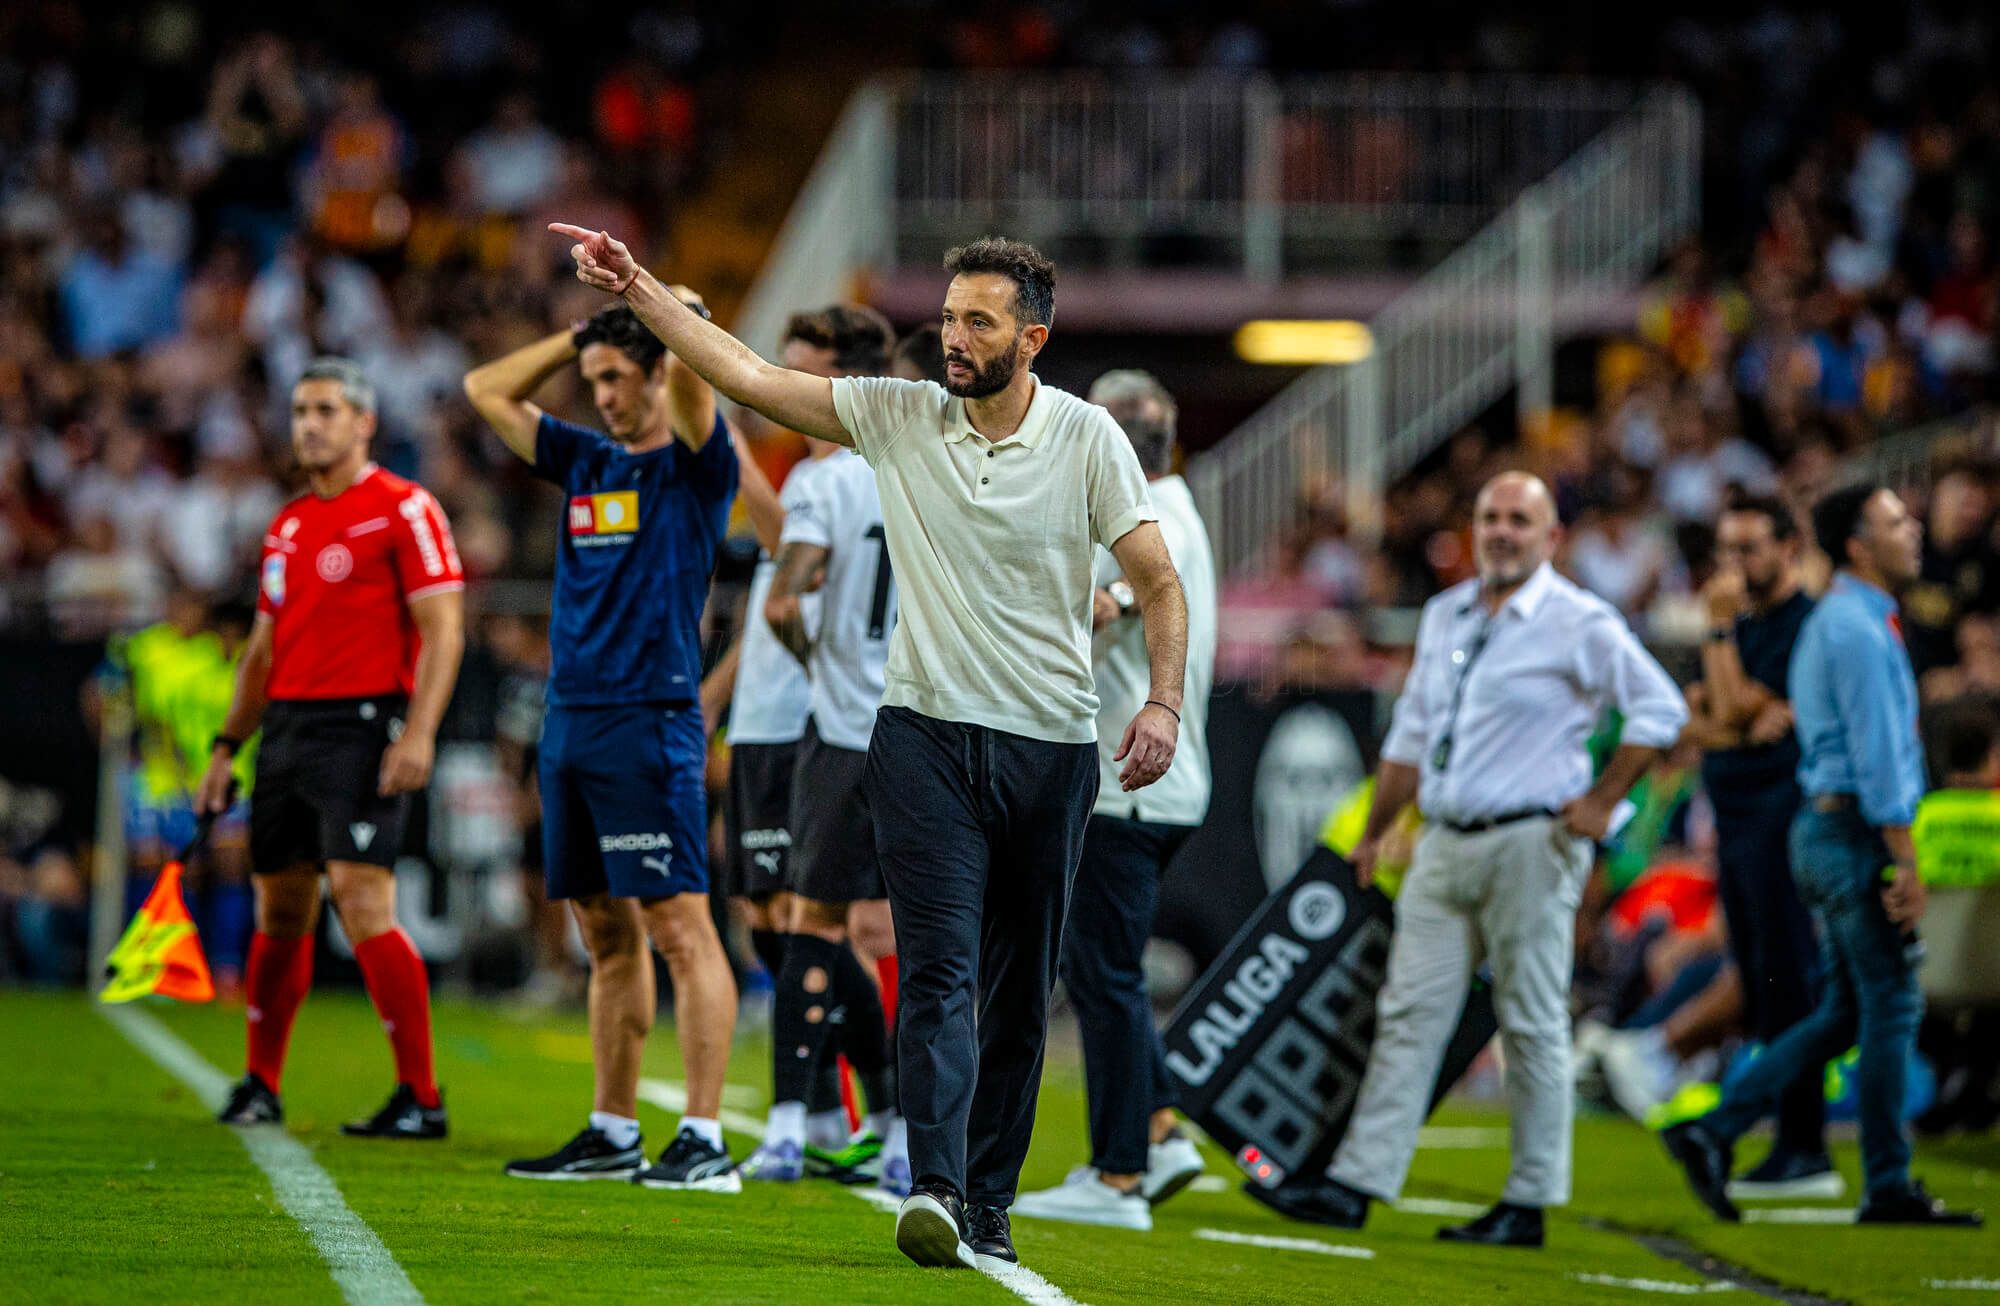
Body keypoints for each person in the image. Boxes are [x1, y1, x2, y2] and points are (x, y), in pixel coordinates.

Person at [551, 221, 1187, 1270]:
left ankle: (989, 1199)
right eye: (946, 316)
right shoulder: (897, 415)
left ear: (1031, 338)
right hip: (921, 736)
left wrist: (1159, 703)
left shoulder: (1086, 438)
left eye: (977, 321)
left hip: (1050, 746)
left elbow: (1156, 582)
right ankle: (933, 1184)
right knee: (935, 970)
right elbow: (748, 375)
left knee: (1019, 989)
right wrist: (642, 287)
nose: (952, 336)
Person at [1248, 472, 1687, 1249]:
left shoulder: (1577, 619)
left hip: (1532, 839)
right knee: (1409, 1014)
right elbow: (1411, 738)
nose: (1502, 530)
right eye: (1490, 516)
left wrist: (1602, 799)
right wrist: (1376, 828)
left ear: (1551, 537)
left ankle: (1528, 1199)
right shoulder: (1449, 612)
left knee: (1531, 1021)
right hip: (1443, 839)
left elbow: (1661, 708)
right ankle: (1356, 1184)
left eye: (1520, 519)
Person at [463, 298, 743, 1192]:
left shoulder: (699, 465)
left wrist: (665, 314)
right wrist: (579, 339)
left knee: (679, 927)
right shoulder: (586, 458)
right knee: (602, 933)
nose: (606, 396)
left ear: (659, 371)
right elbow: (486, 390)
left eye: (619, 378)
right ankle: (613, 1128)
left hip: (649, 719)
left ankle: (703, 1137)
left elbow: (700, 390)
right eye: (596, 383)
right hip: (571, 719)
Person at [1661, 485, 1984, 1228]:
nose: (1913, 532)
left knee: (1842, 1009)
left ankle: (1717, 1125)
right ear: (1860, 546)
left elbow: (1729, 719)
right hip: (1848, 832)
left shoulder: (1836, 622)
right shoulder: (1856, 631)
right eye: (1896, 523)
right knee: (1892, 1003)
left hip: (1814, 825)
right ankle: (1886, 1183)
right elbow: (1880, 762)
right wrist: (1904, 859)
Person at [197, 358, 466, 1138]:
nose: (308, 424)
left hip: (362, 725)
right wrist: (225, 747)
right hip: (284, 729)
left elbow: (444, 627)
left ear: (364, 422)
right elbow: (261, 648)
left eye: (324, 410)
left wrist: (418, 730)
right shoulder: (286, 524)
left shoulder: (404, 508)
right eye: (300, 411)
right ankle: (260, 1083)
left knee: (359, 897)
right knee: (279, 908)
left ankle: (421, 1095)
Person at [1014, 370, 1215, 1232]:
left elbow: (1120, 599)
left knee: (1103, 974)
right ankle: (1160, 1130)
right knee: (1104, 969)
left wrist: (1089, 597)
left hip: (1128, 785)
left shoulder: (1150, 516)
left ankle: (1121, 1172)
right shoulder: (1173, 503)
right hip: (1156, 783)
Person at [1604, 495, 1834, 1194]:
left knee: (1789, 980)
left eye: (1750, 549)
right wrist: (1731, 719)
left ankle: (1805, 1146)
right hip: (1735, 816)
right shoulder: (1752, 626)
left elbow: (1726, 710)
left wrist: (1718, 639)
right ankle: (1783, 1141)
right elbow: (1697, 725)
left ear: (1789, 547)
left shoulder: (1802, 626)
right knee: (1762, 982)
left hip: (1780, 814)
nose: (1733, 566)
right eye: (1726, 551)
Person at [733, 306, 908, 1193]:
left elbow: (781, 602)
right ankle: (907, 1137)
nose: (786, 393)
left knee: (812, 923)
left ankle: (792, 1128)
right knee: (924, 938)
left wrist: (821, 663)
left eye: (802, 377)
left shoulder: (824, 483)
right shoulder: (928, 467)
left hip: (837, 732)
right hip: (925, 731)